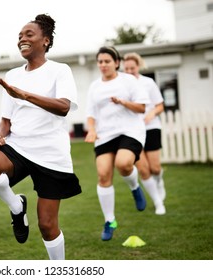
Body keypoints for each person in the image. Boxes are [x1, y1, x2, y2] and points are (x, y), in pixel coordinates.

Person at [0, 14, 82, 260]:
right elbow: (6, 121)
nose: (22, 39)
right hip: (19, 146)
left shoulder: (60, 70)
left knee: (47, 225)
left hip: (51, 154)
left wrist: (25, 95)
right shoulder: (12, 75)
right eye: (20, 36)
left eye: (29, 34)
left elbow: (64, 106)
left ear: (45, 41)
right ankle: (16, 207)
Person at [85, 46, 149, 241]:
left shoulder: (128, 80)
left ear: (116, 63)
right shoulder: (94, 86)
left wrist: (122, 102)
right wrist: (92, 130)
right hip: (105, 135)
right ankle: (110, 221)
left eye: (107, 61)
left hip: (130, 130)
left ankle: (134, 187)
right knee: (103, 175)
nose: (103, 65)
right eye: (100, 62)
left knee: (123, 164)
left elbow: (141, 107)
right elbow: (90, 114)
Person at [123, 52, 166, 214]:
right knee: (143, 169)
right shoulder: (120, 84)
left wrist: (151, 113)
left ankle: (159, 181)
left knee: (155, 168)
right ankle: (158, 202)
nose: (129, 71)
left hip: (151, 128)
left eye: (132, 68)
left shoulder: (148, 83)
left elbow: (160, 105)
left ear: (138, 66)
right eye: (126, 68)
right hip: (132, 131)